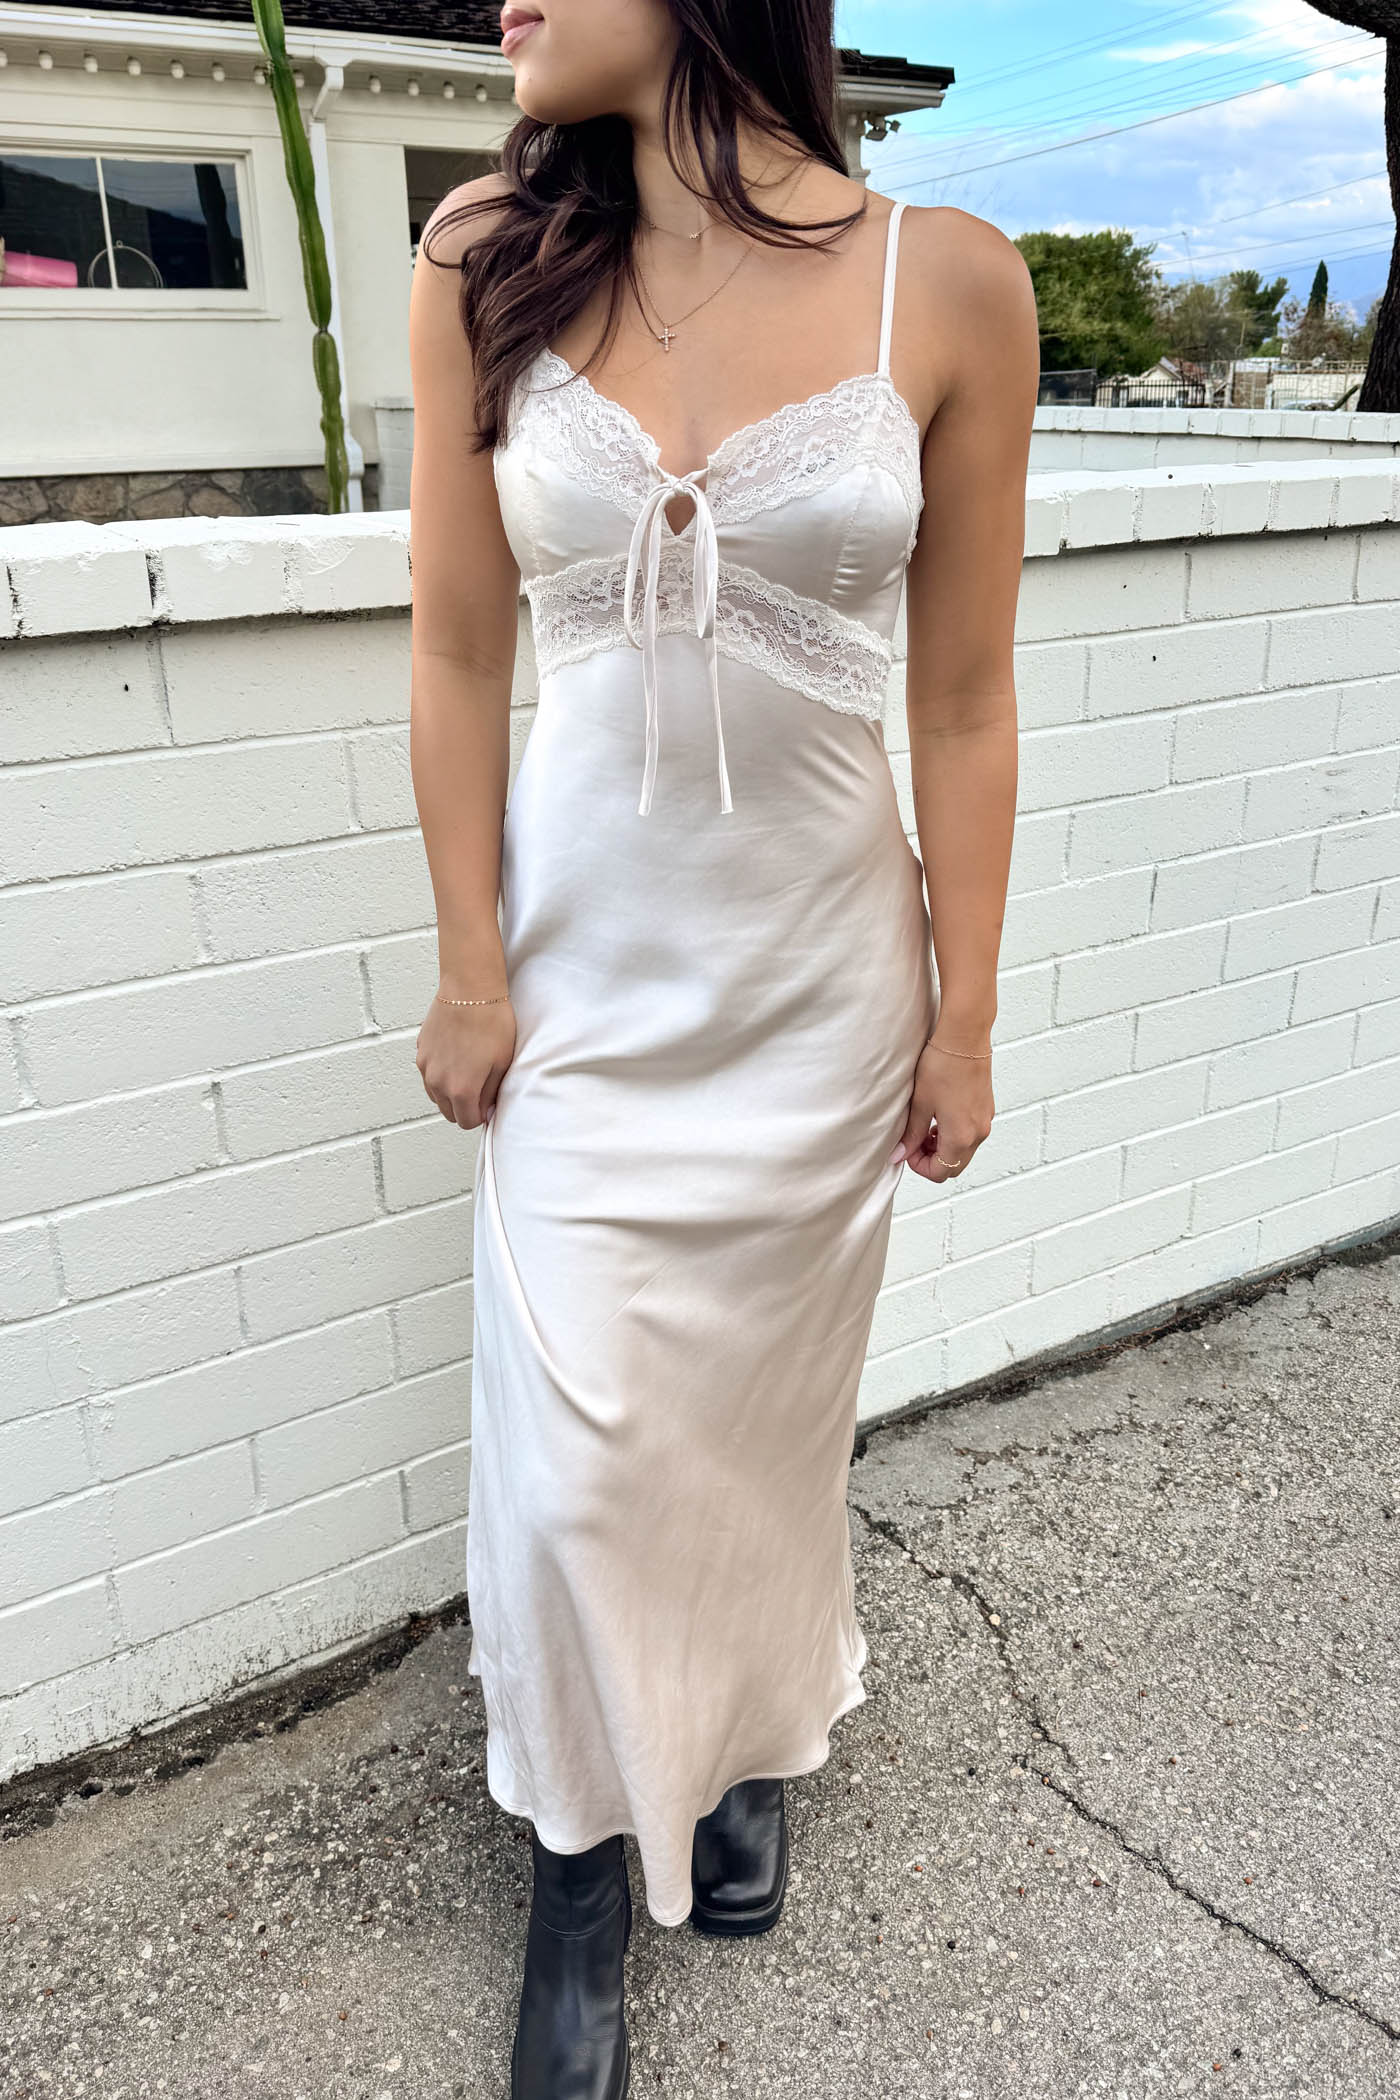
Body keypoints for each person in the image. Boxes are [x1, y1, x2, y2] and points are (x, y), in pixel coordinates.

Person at [407, 2, 1035, 2091]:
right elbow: (454, 640)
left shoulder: (940, 280)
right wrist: (470, 964)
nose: (503, 0)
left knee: (760, 1431)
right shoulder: (486, 252)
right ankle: (582, 1863)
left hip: (816, 989)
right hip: (583, 991)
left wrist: (965, 1008)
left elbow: (959, 697)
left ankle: (748, 1739)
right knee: (582, 1458)